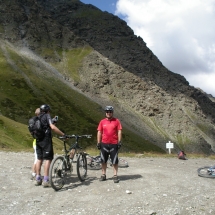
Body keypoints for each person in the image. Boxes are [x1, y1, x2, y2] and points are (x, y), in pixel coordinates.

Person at [35, 104, 65, 187]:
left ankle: (37, 178)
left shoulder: (38, 117)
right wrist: (63, 134)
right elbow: (52, 127)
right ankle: (46, 180)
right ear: (48, 110)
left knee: (39, 159)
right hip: (46, 140)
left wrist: (53, 122)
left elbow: (46, 126)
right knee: (48, 159)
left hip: (38, 140)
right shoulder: (47, 115)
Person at [97, 106, 122, 183]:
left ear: (112, 112)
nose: (108, 113)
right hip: (104, 143)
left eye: (110, 112)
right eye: (107, 112)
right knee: (103, 160)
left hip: (114, 144)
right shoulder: (102, 122)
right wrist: (98, 142)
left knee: (114, 161)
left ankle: (115, 175)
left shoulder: (117, 121)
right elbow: (99, 132)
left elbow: (119, 131)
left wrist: (119, 141)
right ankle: (103, 175)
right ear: (105, 113)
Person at [30, 108, 40, 180]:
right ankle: (35, 175)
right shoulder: (38, 121)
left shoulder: (34, 121)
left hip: (35, 142)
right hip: (38, 143)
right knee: (38, 159)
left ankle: (34, 174)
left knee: (36, 159)